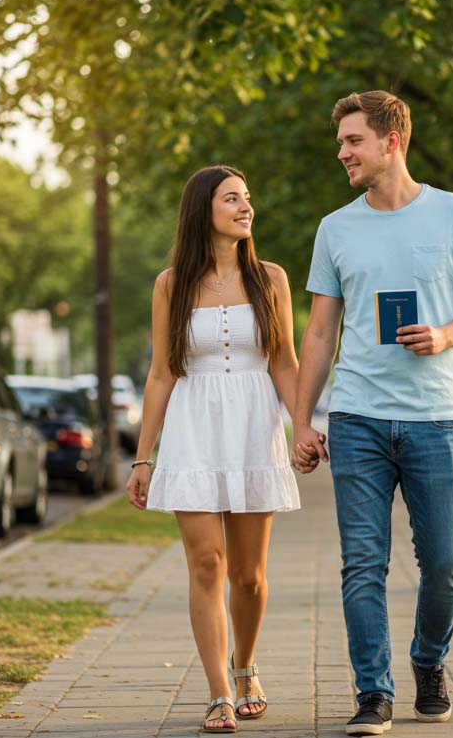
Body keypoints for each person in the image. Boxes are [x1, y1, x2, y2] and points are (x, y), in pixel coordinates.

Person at [291, 91, 453, 736]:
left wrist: (443, 335)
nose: (342, 152)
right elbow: (321, 334)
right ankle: (373, 694)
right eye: (341, 141)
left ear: (392, 142)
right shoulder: (336, 227)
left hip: (436, 419)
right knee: (363, 563)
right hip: (355, 418)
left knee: (445, 561)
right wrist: (303, 420)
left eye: (353, 140)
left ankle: (429, 663)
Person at [126, 165, 305, 734]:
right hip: (193, 429)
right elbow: (160, 374)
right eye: (233, 199)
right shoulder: (171, 284)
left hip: (254, 425)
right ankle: (219, 691)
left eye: (248, 198)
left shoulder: (271, 279)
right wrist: (143, 456)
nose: (246, 207)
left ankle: (246, 665)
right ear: (204, 210)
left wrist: (303, 427)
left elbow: (285, 363)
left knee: (249, 575)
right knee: (207, 564)